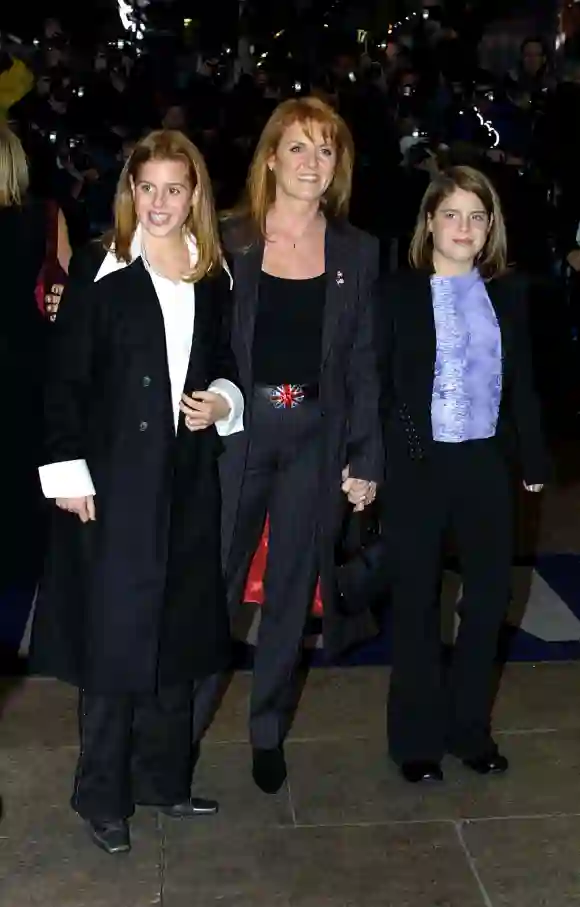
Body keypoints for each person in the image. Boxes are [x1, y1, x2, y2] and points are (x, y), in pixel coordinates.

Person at [30, 129, 244, 854]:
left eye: (173, 188)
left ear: (195, 197)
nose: (158, 202)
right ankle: (102, 793)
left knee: (179, 636)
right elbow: (63, 379)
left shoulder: (211, 272)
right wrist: (67, 473)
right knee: (115, 643)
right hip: (114, 484)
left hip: (186, 480)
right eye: (146, 187)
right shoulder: (100, 266)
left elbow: (222, 361)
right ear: (129, 192)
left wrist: (222, 399)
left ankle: (163, 779)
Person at [199, 96, 383, 795]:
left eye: (326, 150)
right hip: (238, 435)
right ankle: (179, 727)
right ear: (271, 156)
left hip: (316, 434)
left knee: (287, 593)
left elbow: (365, 362)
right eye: (298, 147)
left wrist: (367, 457)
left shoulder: (357, 251)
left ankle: (267, 731)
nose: (312, 162)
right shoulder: (230, 239)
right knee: (213, 588)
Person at [374, 165, 549, 784]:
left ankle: (469, 730)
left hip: (485, 463)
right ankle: (416, 741)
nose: (465, 227)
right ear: (428, 221)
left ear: (491, 227)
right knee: (418, 601)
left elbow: (522, 381)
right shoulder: (397, 292)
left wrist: (533, 459)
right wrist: (374, 461)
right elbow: (382, 382)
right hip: (419, 463)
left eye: (478, 216)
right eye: (452, 214)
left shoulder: (509, 291)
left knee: (489, 598)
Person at [0, 125, 69, 590]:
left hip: (23, 361)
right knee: (23, 490)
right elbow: (67, 288)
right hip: (30, 362)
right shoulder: (45, 217)